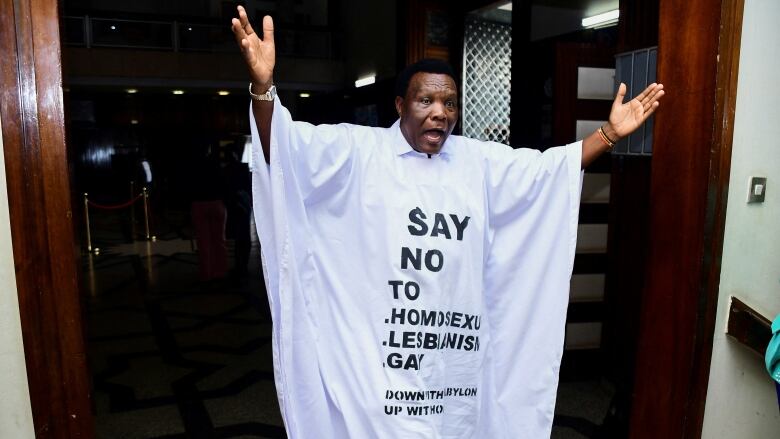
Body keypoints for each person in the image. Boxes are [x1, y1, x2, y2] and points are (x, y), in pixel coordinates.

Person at [231, 6, 664, 439]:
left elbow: (549, 171)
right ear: (400, 105)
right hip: (376, 368)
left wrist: (607, 134)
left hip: (452, 368)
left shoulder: (478, 160)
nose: (440, 112)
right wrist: (263, 87)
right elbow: (284, 149)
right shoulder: (357, 151)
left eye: (450, 103)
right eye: (426, 101)